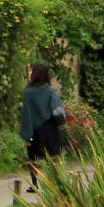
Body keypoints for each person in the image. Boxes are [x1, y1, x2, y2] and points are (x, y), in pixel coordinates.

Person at [20, 61, 65, 191]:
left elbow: (27, 115)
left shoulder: (28, 92)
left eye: (31, 70)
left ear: (36, 73)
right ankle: (57, 184)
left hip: (35, 130)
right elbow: (57, 108)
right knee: (53, 157)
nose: (29, 72)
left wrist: (27, 136)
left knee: (33, 157)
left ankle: (34, 184)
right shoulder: (50, 90)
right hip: (50, 128)